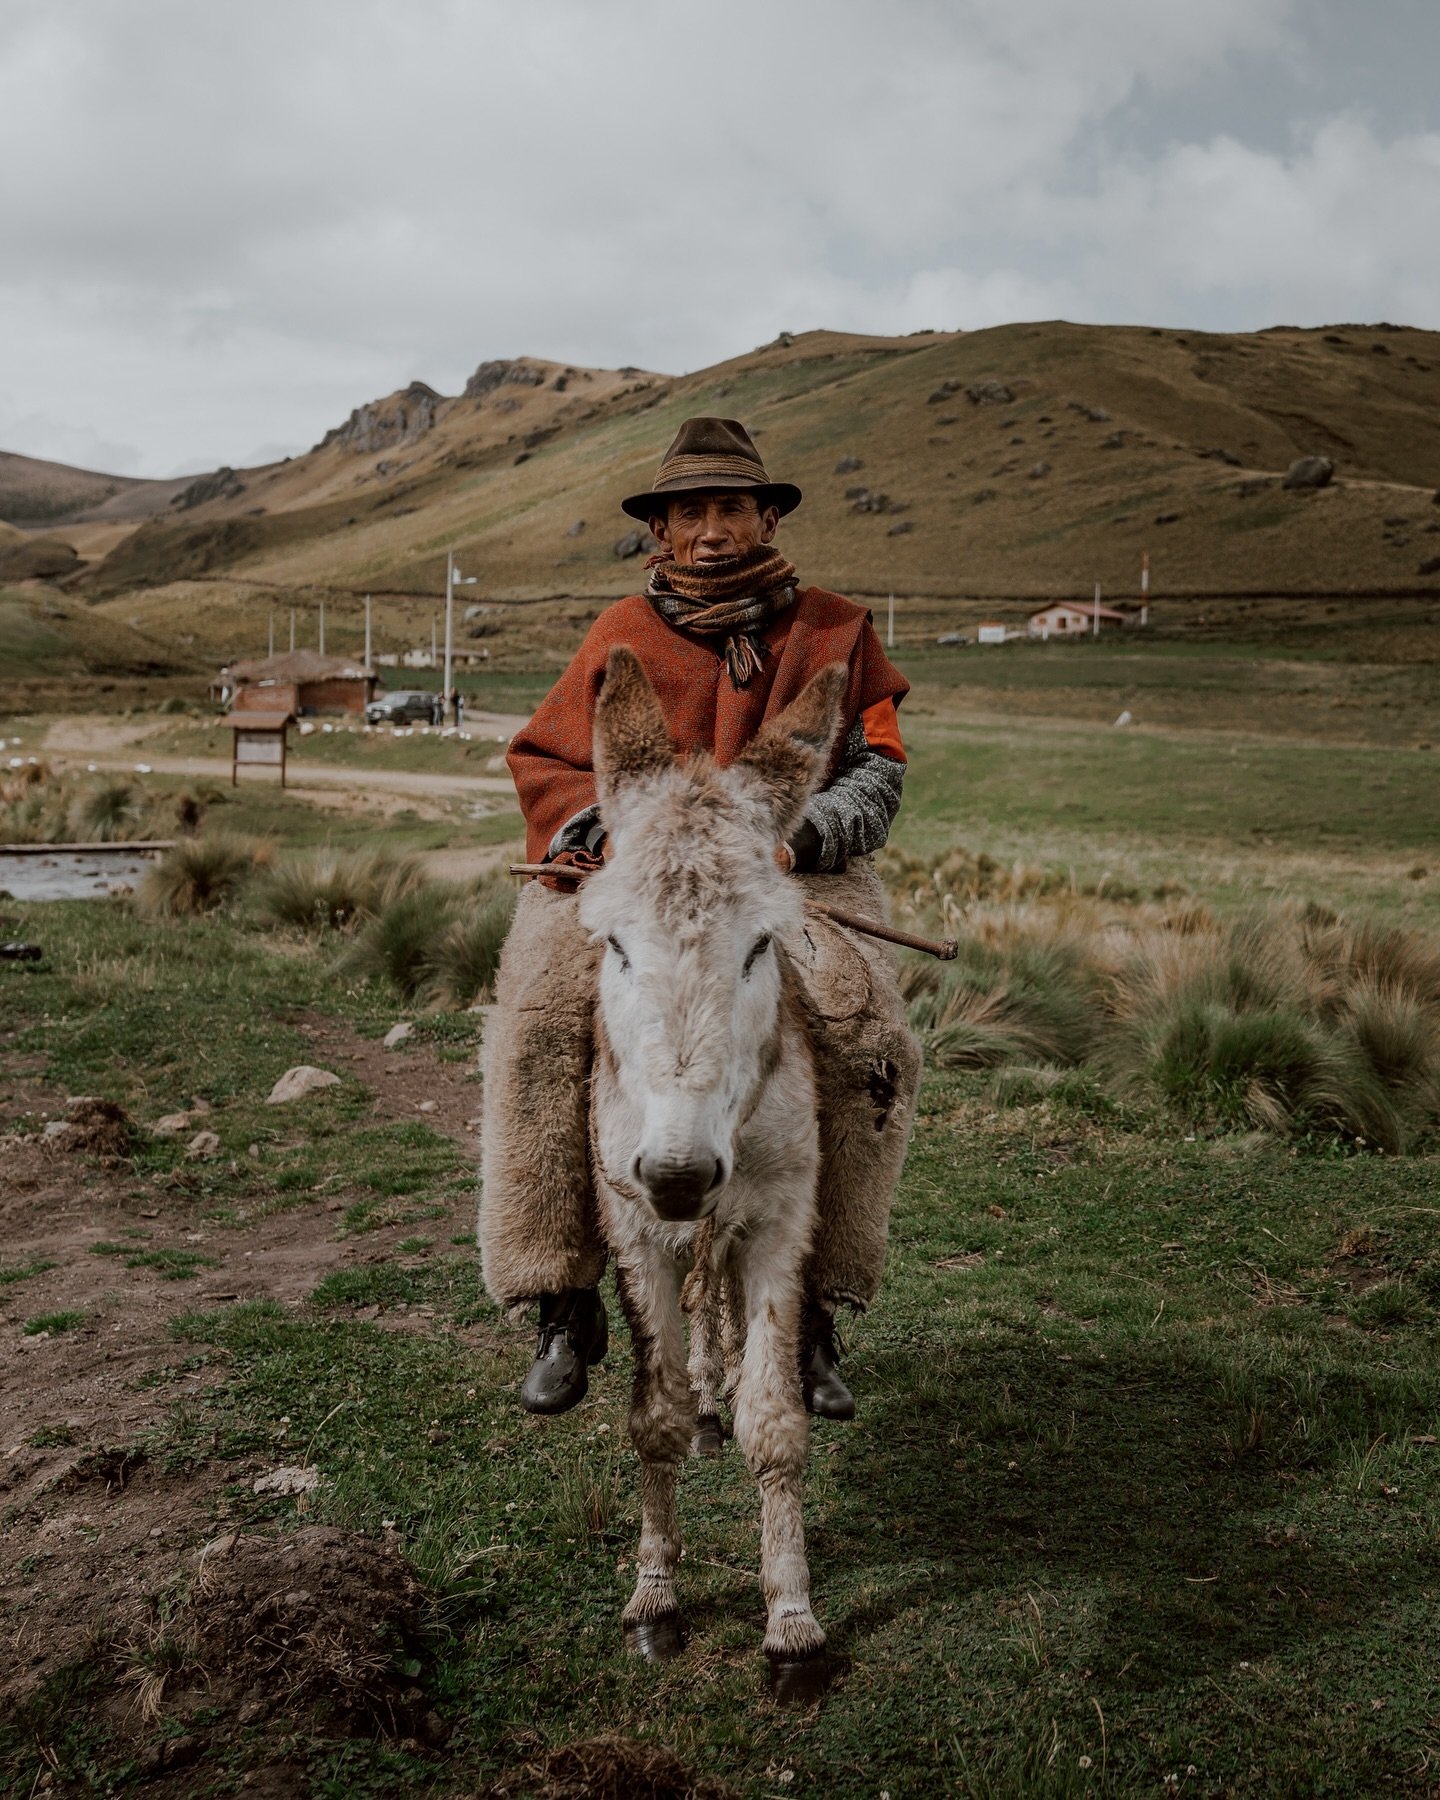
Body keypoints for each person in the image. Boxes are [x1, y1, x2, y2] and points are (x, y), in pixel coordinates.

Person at [479, 417, 922, 1420]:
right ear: (661, 532)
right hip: (637, 874)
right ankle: (561, 1297)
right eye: (690, 512)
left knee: (865, 1031)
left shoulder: (837, 630)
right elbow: (548, 761)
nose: (712, 529)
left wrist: (797, 845)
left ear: (766, 514)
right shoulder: (617, 638)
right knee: (542, 1019)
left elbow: (876, 770)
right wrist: (603, 833)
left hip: (788, 867)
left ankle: (811, 1306)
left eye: (731, 507)